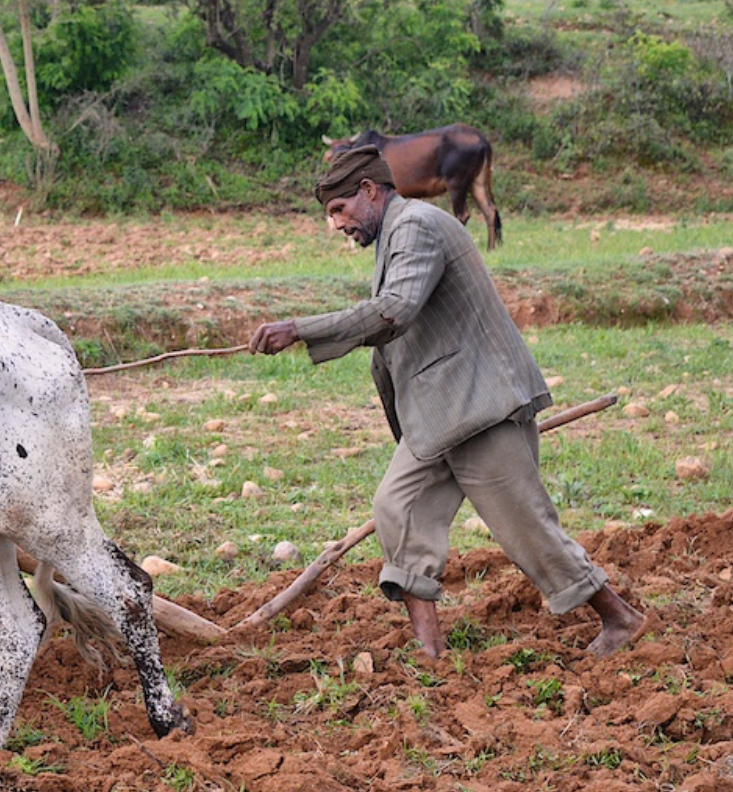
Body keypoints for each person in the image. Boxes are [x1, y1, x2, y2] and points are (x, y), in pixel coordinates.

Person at [249, 145, 647, 658]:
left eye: (339, 210)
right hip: (435, 417)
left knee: (525, 527)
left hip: (478, 406)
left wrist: (301, 329)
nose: (336, 225)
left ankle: (620, 618)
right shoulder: (394, 234)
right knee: (398, 508)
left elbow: (395, 311)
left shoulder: (417, 225)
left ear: (369, 191)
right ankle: (429, 650)